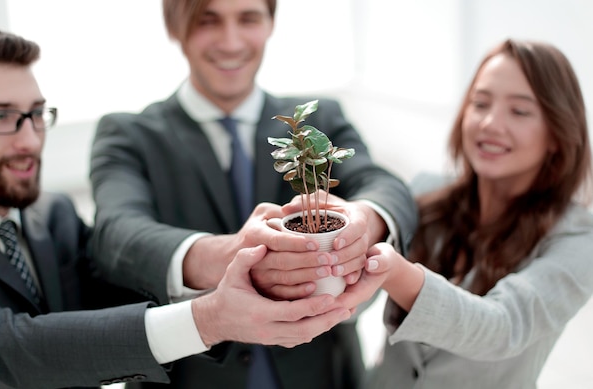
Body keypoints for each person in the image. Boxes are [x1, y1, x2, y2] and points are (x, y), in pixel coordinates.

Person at [0, 29, 360, 389]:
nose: (30, 138)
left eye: (36, 113)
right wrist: (210, 319)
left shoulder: (53, 217)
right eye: (0, 116)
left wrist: (256, 280)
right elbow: (5, 347)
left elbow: (125, 298)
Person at [89, 0, 417, 388]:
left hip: (320, 374)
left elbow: (385, 187)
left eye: (248, 18)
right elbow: (116, 233)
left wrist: (365, 220)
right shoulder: (129, 136)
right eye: (208, 21)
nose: (231, 42)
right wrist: (230, 255)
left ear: (270, 23)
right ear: (174, 26)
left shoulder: (319, 121)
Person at [362, 39, 593, 388]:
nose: (489, 123)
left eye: (519, 111)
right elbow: (351, 308)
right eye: (480, 103)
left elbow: (502, 327)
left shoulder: (578, 239)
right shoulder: (425, 193)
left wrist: (392, 270)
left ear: (557, 135)